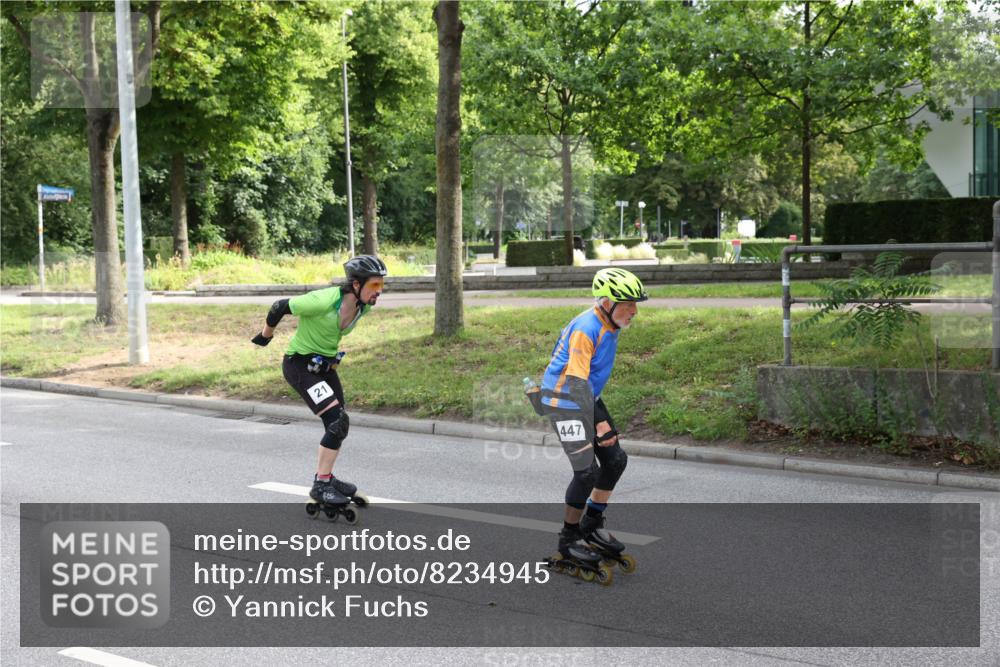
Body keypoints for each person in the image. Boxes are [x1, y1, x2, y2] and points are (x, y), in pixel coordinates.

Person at [251, 255, 387, 506]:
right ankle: (320, 485)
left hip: (323, 367)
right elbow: (280, 305)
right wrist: (265, 336)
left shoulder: (363, 306)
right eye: (375, 285)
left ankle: (326, 477)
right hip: (299, 365)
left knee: (339, 423)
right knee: (336, 421)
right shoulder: (324, 300)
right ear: (356, 285)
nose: (380, 291)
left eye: (382, 285)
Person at [536, 267, 647, 562]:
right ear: (608, 303)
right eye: (628, 304)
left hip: (586, 397)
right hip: (564, 402)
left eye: (636, 303)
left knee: (615, 459)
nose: (634, 310)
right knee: (587, 473)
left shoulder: (610, 323)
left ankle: (591, 524)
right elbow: (574, 381)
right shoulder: (587, 328)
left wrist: (598, 420)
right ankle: (568, 538)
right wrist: (599, 424)